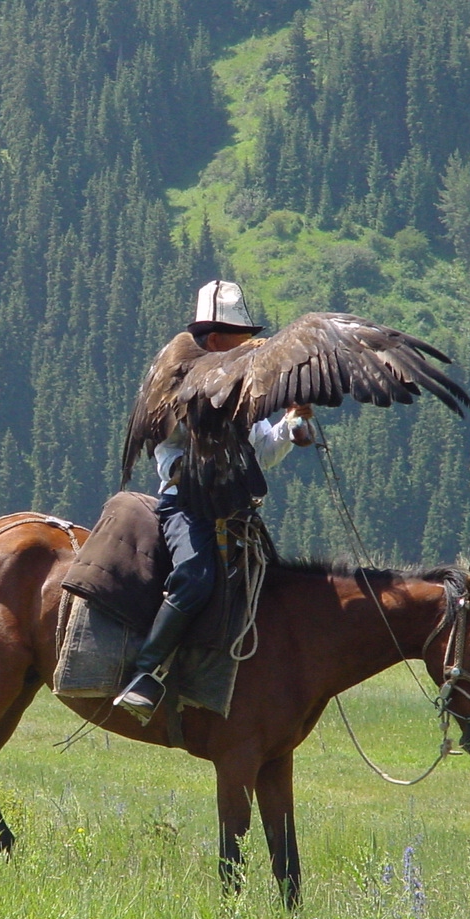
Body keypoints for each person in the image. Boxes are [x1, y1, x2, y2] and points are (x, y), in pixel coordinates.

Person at [114, 280, 313, 722]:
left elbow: (261, 448)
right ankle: (144, 673)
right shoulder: (176, 379)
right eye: (241, 338)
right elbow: (167, 453)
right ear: (217, 338)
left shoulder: (239, 379)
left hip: (236, 506)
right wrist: (197, 472)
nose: (251, 346)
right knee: (197, 575)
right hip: (185, 504)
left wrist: (292, 421)